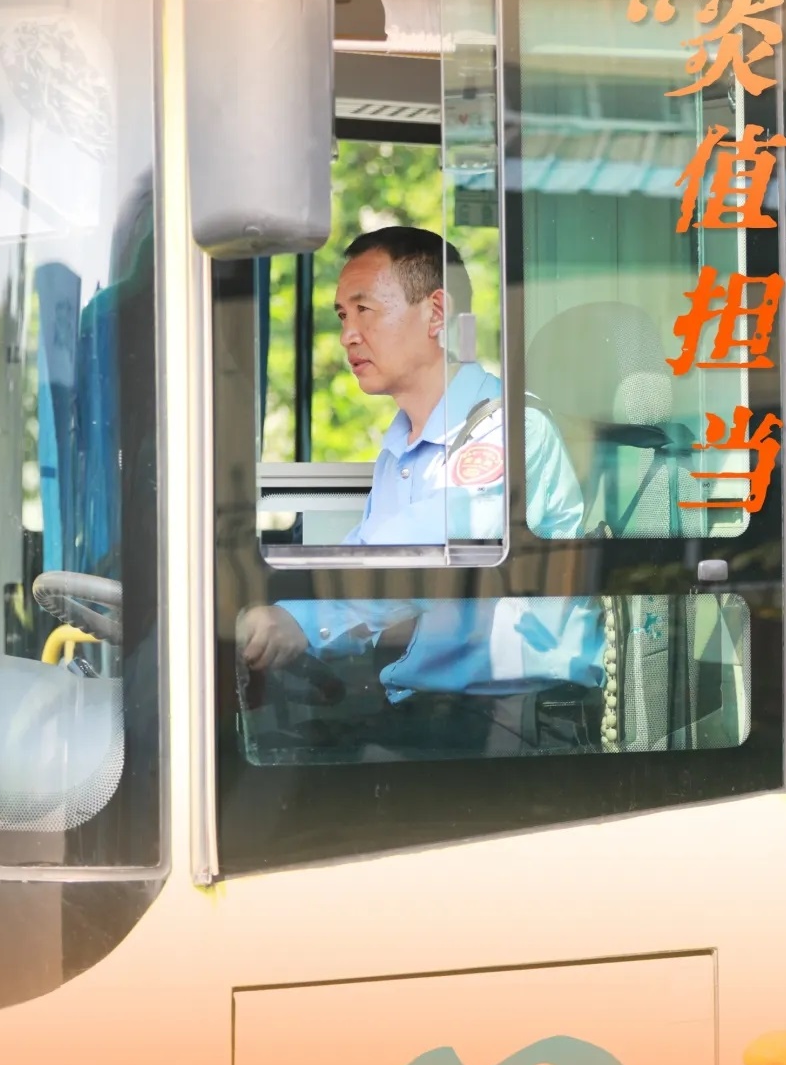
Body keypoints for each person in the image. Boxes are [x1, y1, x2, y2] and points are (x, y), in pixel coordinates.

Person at [237, 227, 606, 755]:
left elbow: (417, 556)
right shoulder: (401, 451)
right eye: (342, 315)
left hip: (516, 723)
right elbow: (366, 559)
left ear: (436, 313)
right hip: (436, 712)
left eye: (365, 309)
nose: (347, 335)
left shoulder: (507, 430)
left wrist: (301, 618)